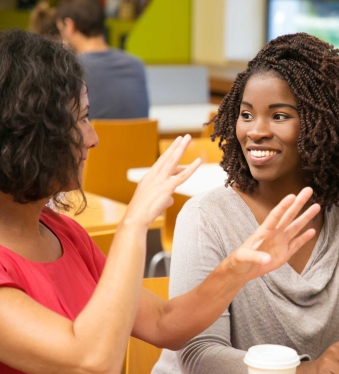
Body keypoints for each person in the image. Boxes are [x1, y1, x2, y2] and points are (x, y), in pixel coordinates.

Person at [0, 30, 320, 374]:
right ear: (28, 133)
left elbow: (164, 323)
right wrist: (133, 223)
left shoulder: (64, 234)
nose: (93, 139)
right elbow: (89, 361)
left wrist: (237, 270)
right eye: (81, 120)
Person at [153, 33, 339, 374]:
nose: (256, 131)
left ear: (321, 124)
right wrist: (306, 372)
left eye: (279, 116)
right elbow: (199, 357)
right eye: (246, 114)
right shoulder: (206, 217)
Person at [55, 0, 149, 120]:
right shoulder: (136, 65)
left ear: (69, 25)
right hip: (139, 139)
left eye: (60, 30)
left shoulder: (71, 68)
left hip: (95, 139)